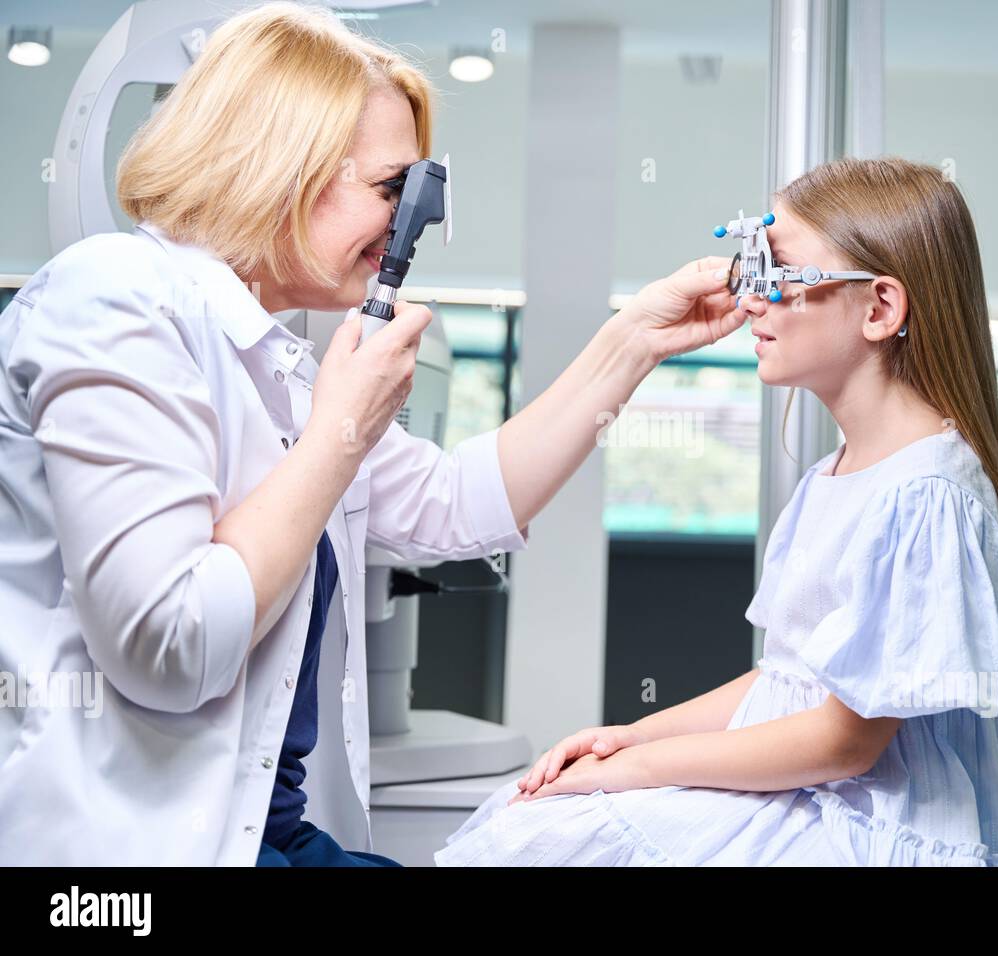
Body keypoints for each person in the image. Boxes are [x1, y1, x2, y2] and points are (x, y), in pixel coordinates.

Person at [0, 2, 743, 866]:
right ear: (280, 166)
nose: (410, 226)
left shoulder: (279, 362)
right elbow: (170, 648)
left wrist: (635, 337)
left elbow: (462, 504)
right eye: (394, 189)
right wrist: (344, 429)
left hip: (261, 836)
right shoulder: (115, 295)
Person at [434, 156, 998, 867]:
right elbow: (789, 679)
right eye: (751, 273)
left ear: (880, 308)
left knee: (552, 842)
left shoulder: (927, 495)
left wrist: (636, 773)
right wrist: (633, 737)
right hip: (830, 792)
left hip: (884, 823)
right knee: (531, 820)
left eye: (780, 277)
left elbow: (845, 742)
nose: (753, 303)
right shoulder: (838, 473)